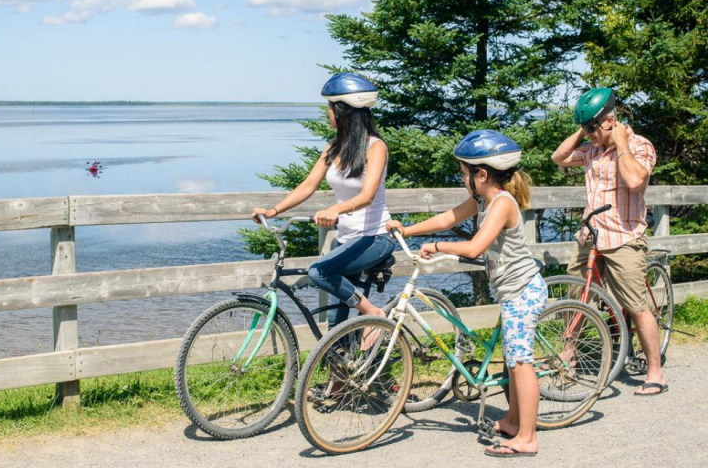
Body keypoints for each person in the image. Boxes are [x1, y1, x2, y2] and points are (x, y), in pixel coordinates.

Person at [387, 130, 545, 458]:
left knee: (520, 363)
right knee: (514, 358)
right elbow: (449, 217)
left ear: (482, 175)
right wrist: (409, 229)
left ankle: (527, 437)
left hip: (523, 291)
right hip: (512, 290)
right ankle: (514, 421)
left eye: (464, 173)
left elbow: (475, 247)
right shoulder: (484, 199)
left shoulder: (501, 203)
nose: (462, 178)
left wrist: (437, 246)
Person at [252, 73, 395, 330]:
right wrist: (273, 211)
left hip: (374, 237)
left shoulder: (376, 148)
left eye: (330, 107)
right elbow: (308, 185)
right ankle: (344, 367)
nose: (327, 113)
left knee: (319, 271)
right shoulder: (333, 148)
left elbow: (368, 195)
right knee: (336, 325)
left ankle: (375, 315)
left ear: (343, 111)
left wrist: (336, 208)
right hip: (347, 239)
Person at [552, 87, 665, 396]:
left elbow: (634, 180)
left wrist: (621, 143)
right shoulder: (591, 149)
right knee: (576, 297)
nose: (587, 134)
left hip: (623, 239)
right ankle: (568, 358)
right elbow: (558, 157)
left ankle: (656, 372)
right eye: (585, 128)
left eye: (592, 128)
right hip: (591, 236)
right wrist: (584, 129)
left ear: (610, 122)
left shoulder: (640, 146)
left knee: (636, 305)